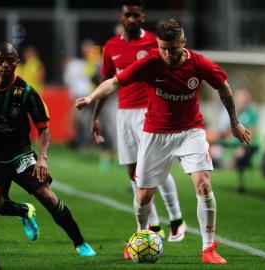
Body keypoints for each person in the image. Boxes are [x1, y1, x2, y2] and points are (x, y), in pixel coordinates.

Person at [76, 18, 252, 264]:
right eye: (162, 48)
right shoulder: (150, 63)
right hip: (156, 133)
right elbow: (114, 82)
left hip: (190, 131)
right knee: (143, 196)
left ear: (183, 42)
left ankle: (208, 248)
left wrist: (234, 122)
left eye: (173, 48)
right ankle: (140, 235)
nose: (167, 54)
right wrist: (91, 97)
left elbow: (224, 87)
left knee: (203, 185)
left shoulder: (199, 64)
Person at [0, 42, 96, 257]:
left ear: (17, 63)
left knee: (47, 197)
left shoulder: (26, 92)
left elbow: (44, 129)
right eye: (0, 60)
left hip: (19, 156)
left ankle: (80, 243)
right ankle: (24, 211)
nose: (5, 64)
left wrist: (42, 158)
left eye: (10, 60)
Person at [91, 0, 186, 259]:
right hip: (123, 113)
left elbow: (172, 73)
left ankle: (176, 218)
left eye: (136, 15)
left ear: (142, 16)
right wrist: (96, 116)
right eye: (127, 15)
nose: (131, 19)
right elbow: (108, 82)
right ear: (121, 18)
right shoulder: (111, 47)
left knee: (156, 167)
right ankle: (153, 226)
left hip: (148, 111)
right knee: (134, 171)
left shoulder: (156, 42)